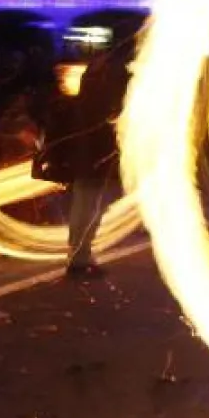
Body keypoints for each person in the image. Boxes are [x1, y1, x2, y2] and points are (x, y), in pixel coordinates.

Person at [64, 43, 131, 276]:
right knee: (90, 208)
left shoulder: (89, 78)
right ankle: (80, 259)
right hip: (94, 155)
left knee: (84, 205)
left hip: (86, 154)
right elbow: (106, 116)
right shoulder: (101, 80)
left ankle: (78, 255)